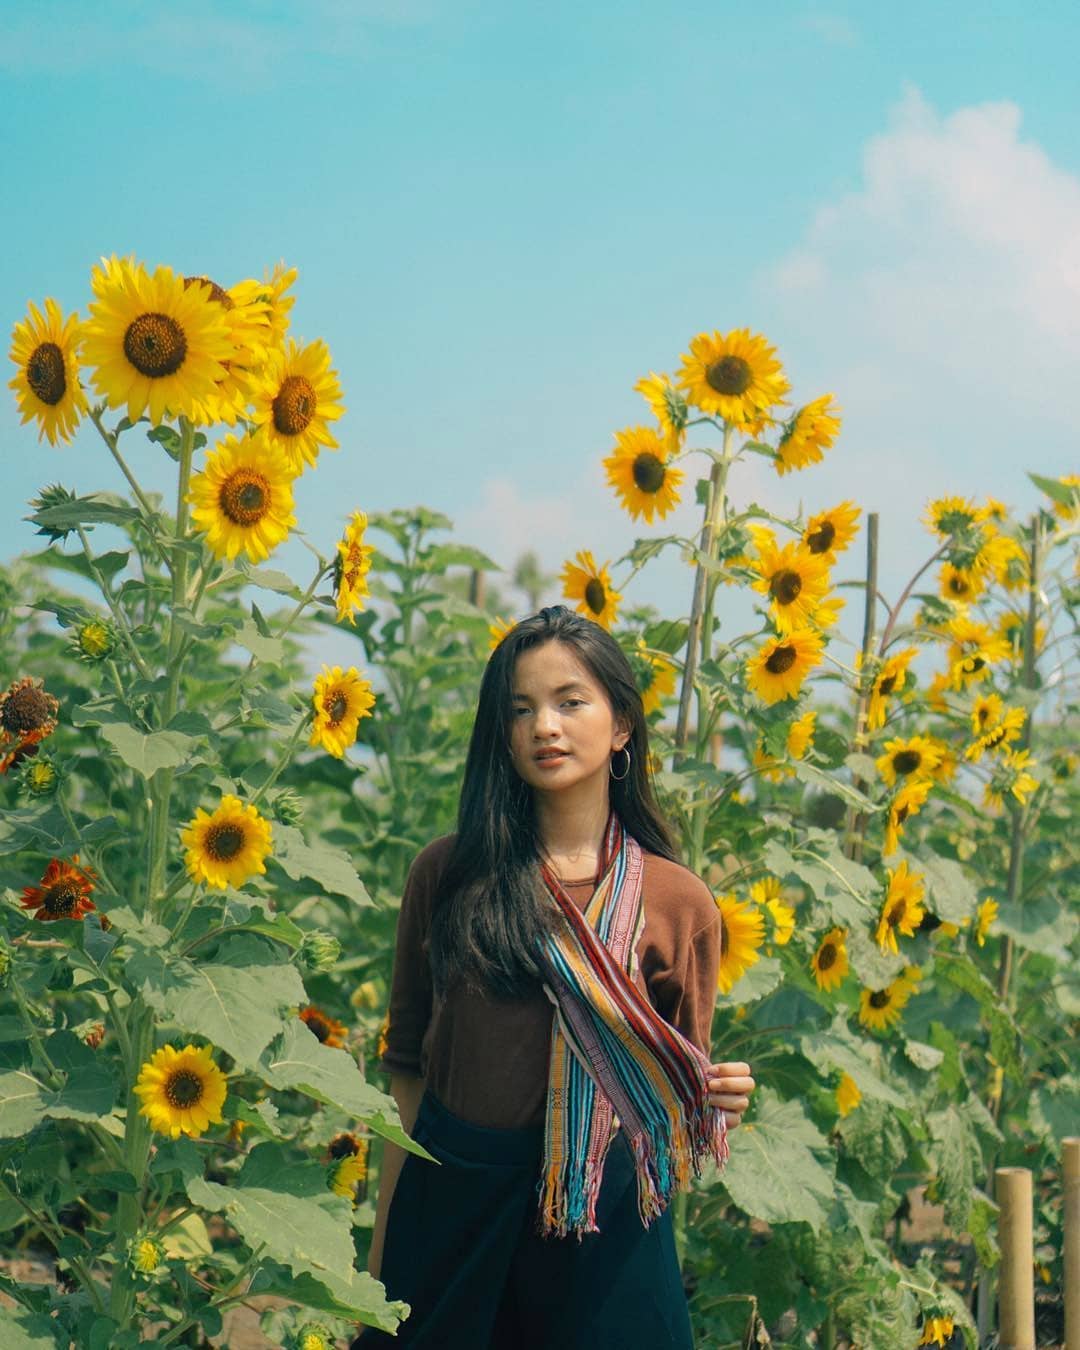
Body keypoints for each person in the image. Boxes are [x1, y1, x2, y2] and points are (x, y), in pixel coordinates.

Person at [352, 605, 755, 1349]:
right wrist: (381, 1264)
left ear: (622, 725)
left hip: (605, 1232)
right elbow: (407, 1075)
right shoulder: (448, 876)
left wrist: (720, 1094)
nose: (546, 726)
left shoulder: (678, 902)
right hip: (453, 1210)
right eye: (522, 709)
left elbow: (671, 1099)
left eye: (571, 702)